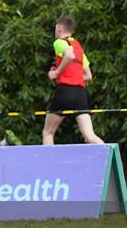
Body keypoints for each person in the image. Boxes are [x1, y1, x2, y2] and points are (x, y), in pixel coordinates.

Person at [43, 15, 103, 145]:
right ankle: (110, 159)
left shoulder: (59, 42)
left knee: (48, 132)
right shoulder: (78, 47)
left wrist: (56, 73)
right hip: (80, 94)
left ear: (59, 29)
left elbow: (69, 55)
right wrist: (70, 75)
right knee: (90, 136)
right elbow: (89, 76)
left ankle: (49, 164)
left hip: (65, 91)